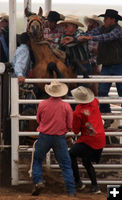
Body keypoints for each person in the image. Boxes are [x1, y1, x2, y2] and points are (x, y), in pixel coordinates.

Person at [78, 9, 122, 128]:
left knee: (121, 92)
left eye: (106, 18)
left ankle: (107, 115)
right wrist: (80, 37)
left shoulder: (118, 31)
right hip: (107, 66)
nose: (104, 20)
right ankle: (107, 114)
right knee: (102, 91)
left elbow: (106, 37)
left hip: (118, 66)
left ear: (112, 20)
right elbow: (95, 33)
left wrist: (89, 37)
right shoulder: (103, 29)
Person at [32, 80, 76, 196]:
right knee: (66, 164)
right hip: (59, 137)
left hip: (44, 136)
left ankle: (38, 181)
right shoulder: (66, 106)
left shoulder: (42, 104)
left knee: (37, 160)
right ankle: (71, 191)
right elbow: (70, 124)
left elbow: (38, 120)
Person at [69, 86, 106, 194]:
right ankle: (95, 186)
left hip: (88, 139)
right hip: (100, 138)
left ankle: (78, 182)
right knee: (86, 161)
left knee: (71, 154)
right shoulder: (94, 102)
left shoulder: (77, 112)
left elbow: (75, 131)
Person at [83, 15, 103, 95]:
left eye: (91, 22)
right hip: (88, 63)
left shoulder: (97, 35)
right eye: (89, 22)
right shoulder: (87, 34)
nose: (89, 24)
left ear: (96, 24)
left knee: (93, 87)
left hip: (93, 63)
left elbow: (96, 51)